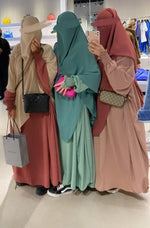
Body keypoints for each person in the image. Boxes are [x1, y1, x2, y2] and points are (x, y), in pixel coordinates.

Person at [88, 8, 149, 194]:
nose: (102, 31)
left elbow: (121, 84)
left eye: (105, 27)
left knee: (122, 146)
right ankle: (108, 180)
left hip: (121, 106)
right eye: (99, 28)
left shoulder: (124, 50)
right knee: (106, 146)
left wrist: (105, 57)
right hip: (104, 103)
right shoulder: (102, 47)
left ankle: (125, 181)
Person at [4, 15, 61, 195]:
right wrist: (10, 104)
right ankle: (22, 177)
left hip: (40, 105)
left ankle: (42, 180)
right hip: (22, 106)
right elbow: (11, 80)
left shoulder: (46, 51)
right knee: (24, 142)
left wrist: (37, 57)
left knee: (39, 145)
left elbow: (48, 82)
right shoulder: (16, 52)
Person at [47, 11, 101, 196]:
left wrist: (74, 81)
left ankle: (78, 179)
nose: (60, 35)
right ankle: (67, 177)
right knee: (65, 141)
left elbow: (94, 76)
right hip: (62, 103)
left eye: (63, 31)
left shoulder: (84, 49)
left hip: (77, 102)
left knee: (76, 141)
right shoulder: (58, 48)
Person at [0, 28, 11, 100]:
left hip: (4, 64)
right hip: (4, 64)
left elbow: (8, 52)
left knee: (4, 79)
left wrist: (2, 51)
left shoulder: (4, 41)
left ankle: (4, 94)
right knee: (4, 79)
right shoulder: (5, 41)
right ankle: (3, 94)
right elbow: (8, 52)